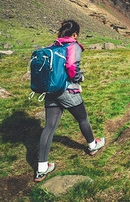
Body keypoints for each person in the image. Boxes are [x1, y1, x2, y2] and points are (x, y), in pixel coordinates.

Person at [35, 20, 105, 182]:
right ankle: (93, 146)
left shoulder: (54, 45)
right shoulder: (73, 46)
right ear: (74, 34)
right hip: (68, 91)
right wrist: (80, 77)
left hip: (51, 91)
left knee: (49, 127)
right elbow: (72, 69)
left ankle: (42, 168)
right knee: (82, 118)